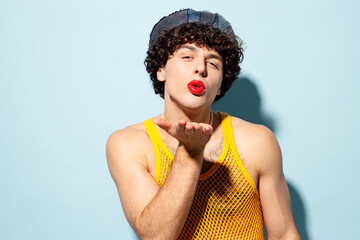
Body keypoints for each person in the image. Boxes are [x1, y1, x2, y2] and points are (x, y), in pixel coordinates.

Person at [106, 9, 300, 240]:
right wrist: (190, 151)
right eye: (187, 57)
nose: (201, 68)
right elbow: (156, 236)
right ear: (161, 70)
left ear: (219, 86)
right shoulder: (128, 144)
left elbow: (285, 234)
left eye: (213, 63)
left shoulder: (256, 140)